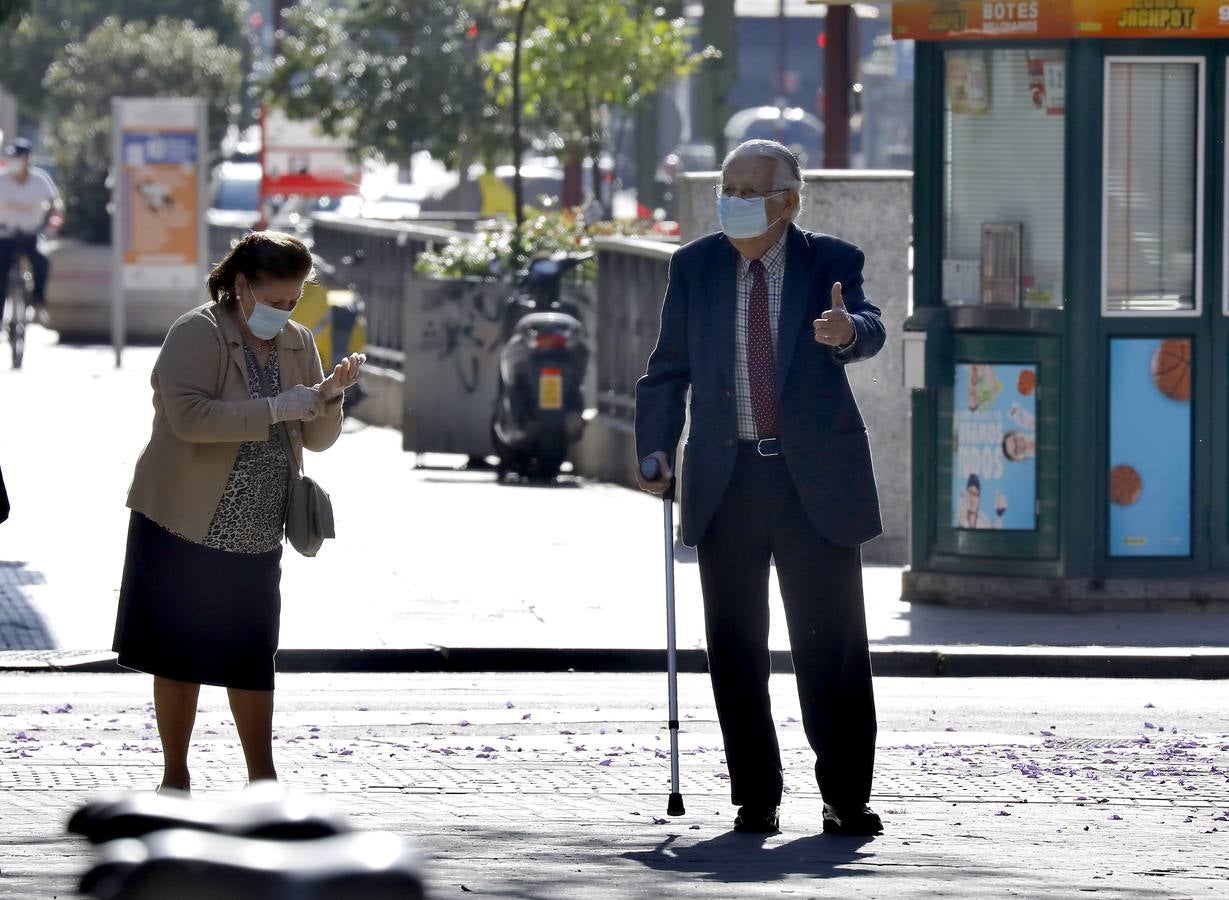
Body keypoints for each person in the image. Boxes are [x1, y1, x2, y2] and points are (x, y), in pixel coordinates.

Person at [635, 139, 886, 837]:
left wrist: (845, 332)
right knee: (735, 644)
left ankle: (844, 796)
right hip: (728, 478)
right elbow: (665, 371)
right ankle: (755, 795)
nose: (735, 201)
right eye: (728, 186)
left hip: (813, 482)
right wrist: (654, 449)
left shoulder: (829, 261)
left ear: (787, 201)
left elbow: (867, 326)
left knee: (829, 644)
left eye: (751, 190)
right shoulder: (693, 268)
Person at [112, 231, 365, 794]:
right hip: (183, 516)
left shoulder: (298, 342)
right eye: (275, 299)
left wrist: (330, 396)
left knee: (252, 652)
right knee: (177, 654)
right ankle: (175, 777)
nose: (285, 311)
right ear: (241, 286)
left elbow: (317, 439)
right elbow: (188, 418)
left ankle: (262, 779)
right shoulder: (196, 332)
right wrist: (274, 407)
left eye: (294, 301)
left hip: (257, 526)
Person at [0, 138, 63, 326]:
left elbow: (55, 206)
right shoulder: (1, 179)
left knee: (41, 260)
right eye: (12, 157)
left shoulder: (40, 180)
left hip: (31, 234)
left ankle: (38, 305)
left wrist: (53, 223)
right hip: (5, 235)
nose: (15, 161)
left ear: (28, 159)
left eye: (19, 157)